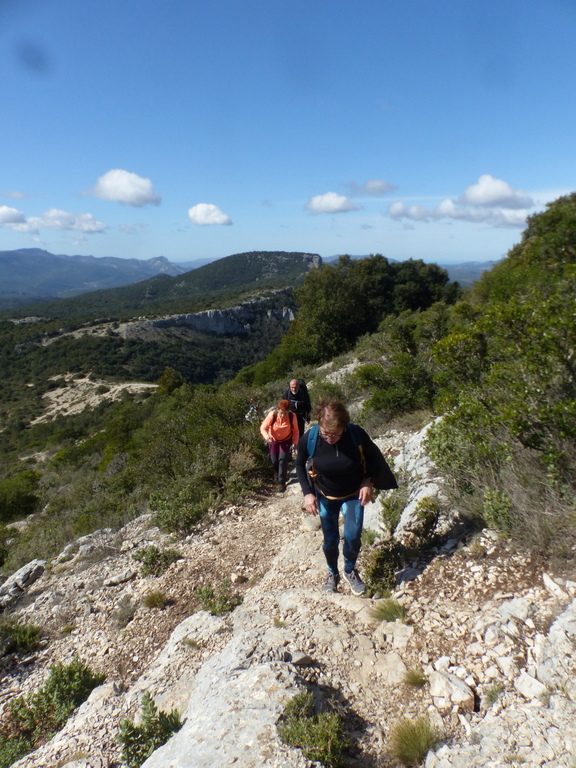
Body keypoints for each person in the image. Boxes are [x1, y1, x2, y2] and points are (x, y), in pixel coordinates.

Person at [295, 400, 397, 595]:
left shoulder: (355, 434)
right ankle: (332, 574)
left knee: (352, 536)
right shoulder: (312, 437)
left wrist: (368, 481)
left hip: (352, 494)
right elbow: (299, 464)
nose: (330, 438)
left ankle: (350, 570)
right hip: (325, 496)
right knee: (330, 540)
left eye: (335, 433)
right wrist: (308, 493)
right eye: (326, 433)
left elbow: (375, 459)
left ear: (344, 427)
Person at [260, 399, 300, 492]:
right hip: (273, 439)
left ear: (288, 411)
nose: (283, 415)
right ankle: (278, 473)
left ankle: (281, 482)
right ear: (278, 410)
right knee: (274, 459)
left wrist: (295, 443)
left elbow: (296, 430)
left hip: (286, 440)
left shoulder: (292, 416)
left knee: (282, 460)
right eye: (281, 413)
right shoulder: (272, 415)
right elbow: (263, 428)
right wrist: (267, 438)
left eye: (285, 413)